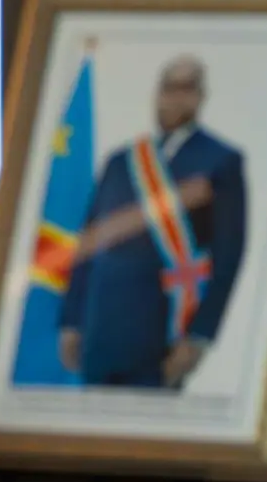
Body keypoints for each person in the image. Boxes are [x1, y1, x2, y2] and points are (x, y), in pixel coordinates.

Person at [59, 55, 247, 388]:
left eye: (185, 89)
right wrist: (71, 320)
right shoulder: (121, 162)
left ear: (200, 96)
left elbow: (228, 255)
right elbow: (87, 245)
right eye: (168, 88)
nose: (174, 98)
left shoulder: (221, 161)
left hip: (162, 332)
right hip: (101, 328)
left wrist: (199, 335)